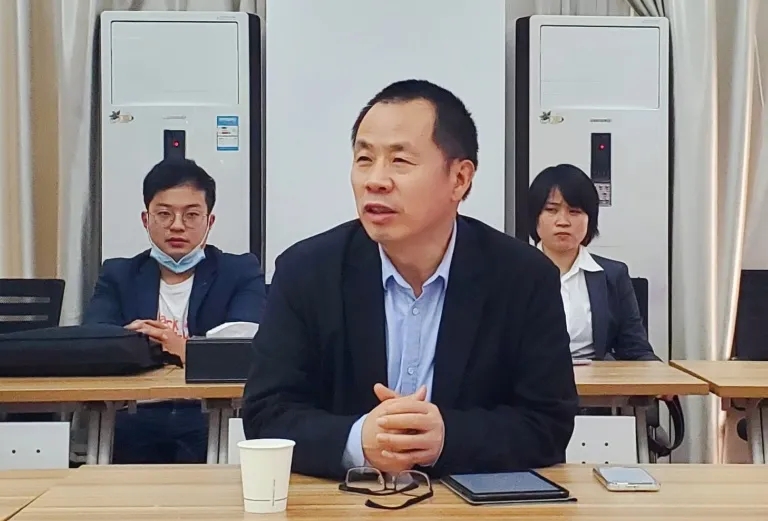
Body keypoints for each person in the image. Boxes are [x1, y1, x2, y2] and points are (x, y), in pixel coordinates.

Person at [242, 79, 579, 480]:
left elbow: (548, 423)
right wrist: (357, 440)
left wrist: (447, 437)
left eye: (400, 161)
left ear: (460, 179)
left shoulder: (524, 278)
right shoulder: (306, 271)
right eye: (364, 159)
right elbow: (266, 414)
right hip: (341, 503)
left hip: (468, 504)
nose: (375, 180)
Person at [83, 158, 267, 463]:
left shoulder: (239, 272)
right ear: (146, 219)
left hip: (208, 412)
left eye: (191, 215)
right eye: (164, 214)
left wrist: (181, 347)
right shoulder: (119, 274)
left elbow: (246, 347)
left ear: (209, 221)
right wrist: (135, 345)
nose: (177, 225)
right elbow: (94, 342)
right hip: (136, 411)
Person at [528, 164, 659, 361]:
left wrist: (661, 375)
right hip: (529, 378)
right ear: (535, 217)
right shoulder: (510, 272)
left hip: (594, 378)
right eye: (551, 210)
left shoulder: (613, 275)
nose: (563, 221)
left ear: (590, 219)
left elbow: (636, 350)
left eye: (574, 212)